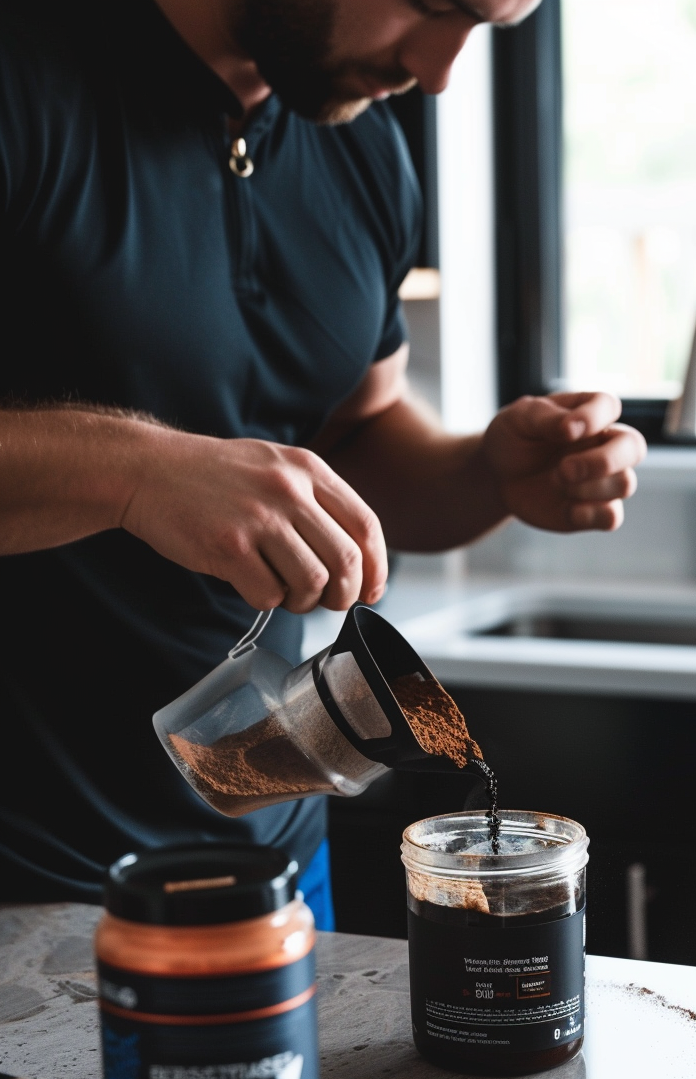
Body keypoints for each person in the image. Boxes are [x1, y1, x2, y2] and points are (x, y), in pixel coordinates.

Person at [0, 0, 646, 926]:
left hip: (274, 861)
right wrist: (134, 471)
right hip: (27, 882)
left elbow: (355, 430)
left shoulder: (361, 147)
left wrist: (487, 478)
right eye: (434, 9)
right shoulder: (27, 77)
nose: (439, 72)